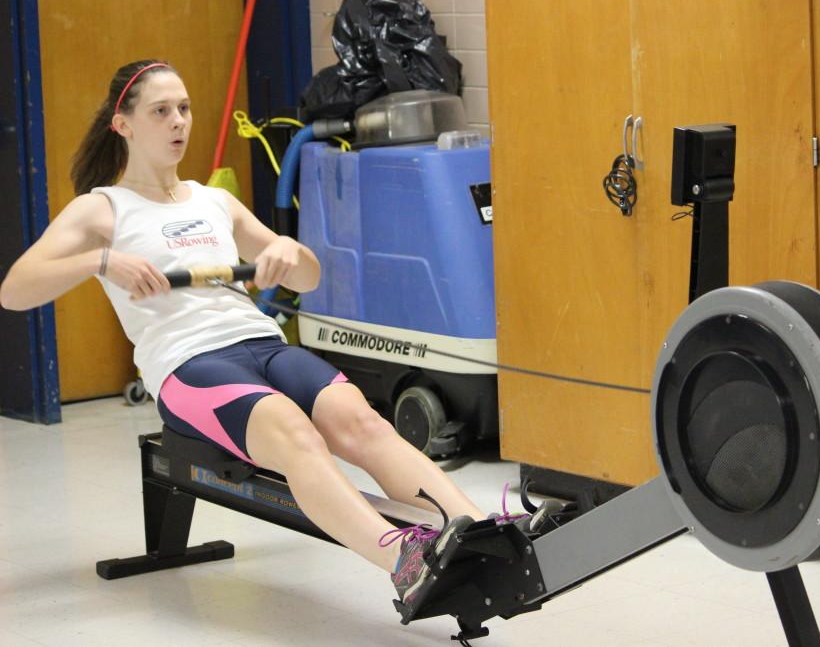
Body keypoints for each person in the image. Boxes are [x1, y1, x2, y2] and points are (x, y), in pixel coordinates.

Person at [0, 59, 504, 607]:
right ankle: (403, 560)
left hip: (260, 343)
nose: (178, 123)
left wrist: (291, 251)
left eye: (185, 109)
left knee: (358, 419)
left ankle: (480, 532)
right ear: (122, 124)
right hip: (189, 365)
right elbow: (15, 290)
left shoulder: (212, 200)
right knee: (294, 432)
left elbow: (308, 276)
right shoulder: (102, 209)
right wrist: (100, 261)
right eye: (161, 111)